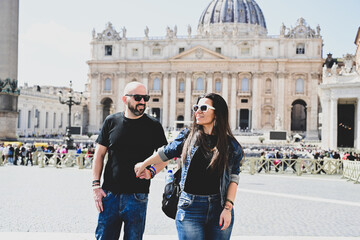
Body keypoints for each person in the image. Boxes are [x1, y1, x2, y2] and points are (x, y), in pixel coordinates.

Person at [135, 93, 244, 240]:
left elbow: (233, 178)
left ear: (217, 113)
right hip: (190, 208)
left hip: (219, 206)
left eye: (204, 108)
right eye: (196, 107)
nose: (198, 111)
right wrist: (145, 164)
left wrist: (227, 208)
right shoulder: (188, 136)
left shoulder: (231, 146)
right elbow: (166, 152)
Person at [92, 82, 168, 240]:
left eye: (145, 98)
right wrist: (95, 186)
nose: (142, 101)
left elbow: (165, 156)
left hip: (137, 195)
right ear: (125, 99)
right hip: (110, 194)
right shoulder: (111, 121)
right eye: (138, 97)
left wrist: (151, 171)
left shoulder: (154, 126)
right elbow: (99, 155)